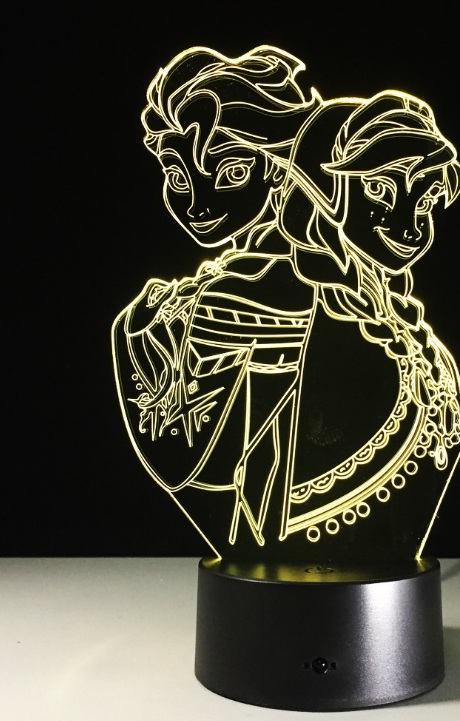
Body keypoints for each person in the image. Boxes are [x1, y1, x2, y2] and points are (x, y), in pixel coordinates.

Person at [112, 47, 321, 556]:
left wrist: (138, 327)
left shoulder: (282, 275)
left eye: (231, 174)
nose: (198, 204)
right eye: (178, 178)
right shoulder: (241, 273)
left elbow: (181, 455)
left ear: (278, 167)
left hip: (288, 497)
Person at [276, 91, 460, 558]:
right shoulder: (286, 310)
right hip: (288, 562)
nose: (410, 227)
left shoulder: (407, 326)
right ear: (327, 194)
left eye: (425, 200)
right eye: (381, 190)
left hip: (389, 565)